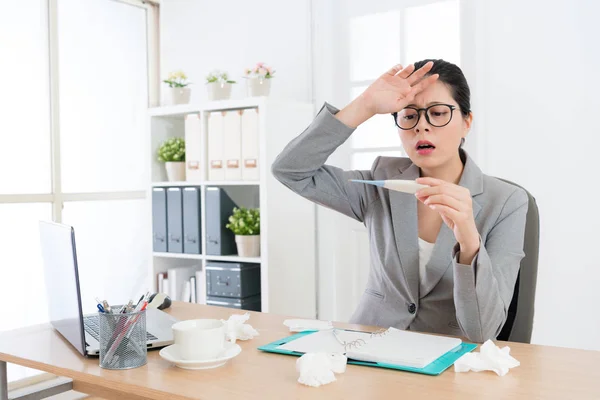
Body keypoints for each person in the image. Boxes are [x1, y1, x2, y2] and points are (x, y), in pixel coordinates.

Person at [271, 59, 528, 343]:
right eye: (409, 116)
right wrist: (364, 105)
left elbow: (483, 330)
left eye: (438, 113)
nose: (422, 127)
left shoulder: (507, 202)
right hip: (367, 347)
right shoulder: (380, 183)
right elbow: (290, 170)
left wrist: (469, 242)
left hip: (448, 361)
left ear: (467, 122)